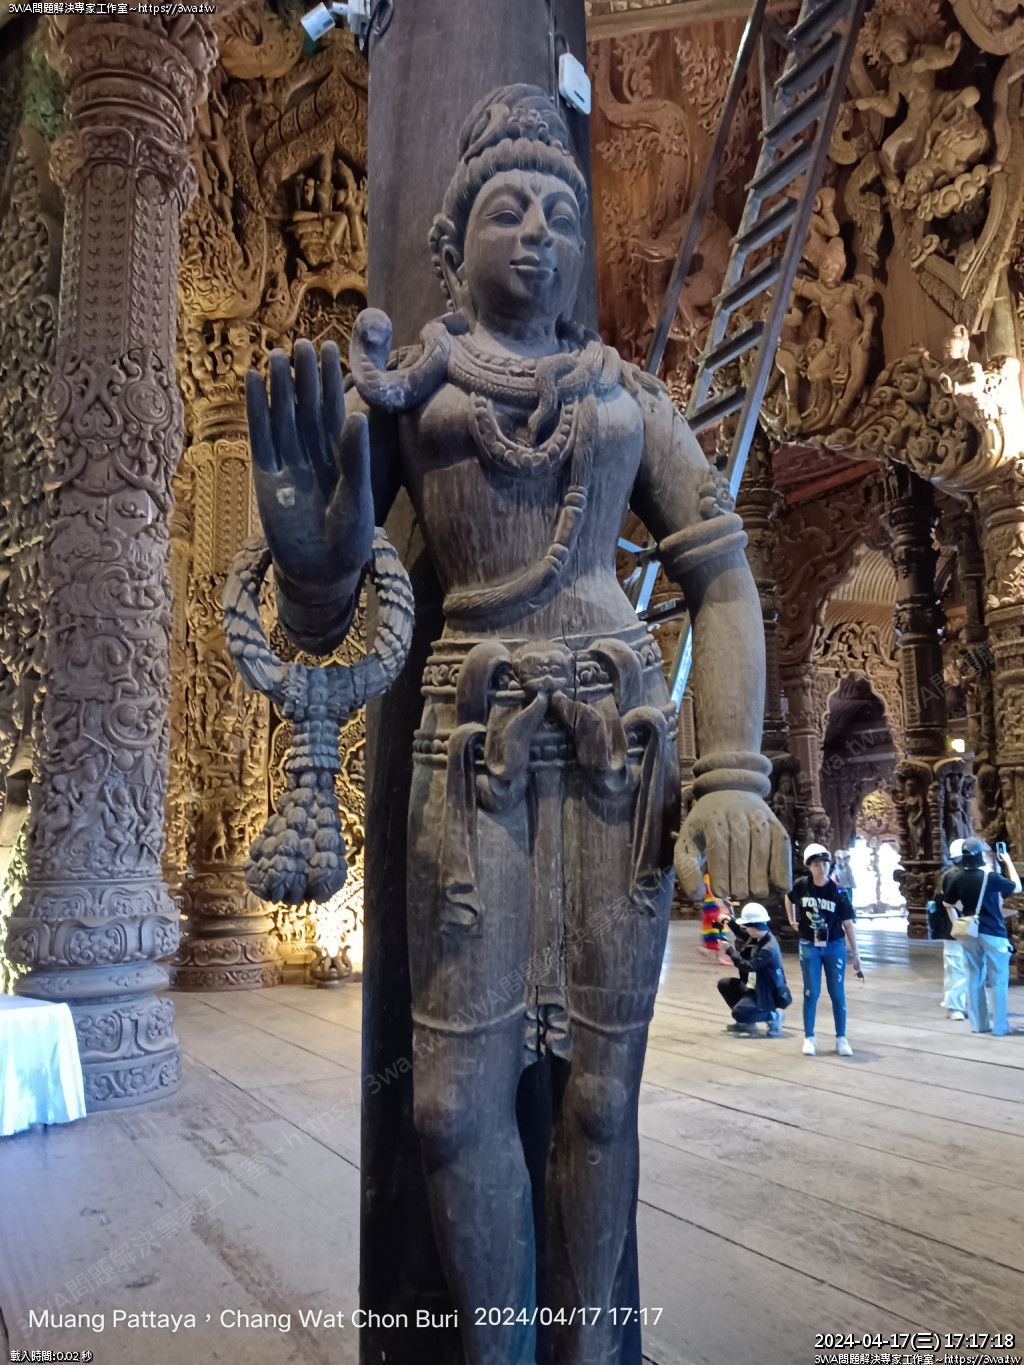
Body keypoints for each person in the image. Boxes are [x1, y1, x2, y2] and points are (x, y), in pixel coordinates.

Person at [243, 85, 791, 1361]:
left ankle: (589, 1350)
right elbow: (328, 609)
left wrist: (732, 772)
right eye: (507, 209)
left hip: (619, 744)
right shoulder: (410, 396)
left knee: (601, 1095)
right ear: (451, 245)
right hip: (467, 747)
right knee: (446, 1105)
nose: (538, 231)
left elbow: (722, 573)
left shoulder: (626, 398)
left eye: (558, 212)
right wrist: (310, 548)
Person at [938, 836, 1020, 1036]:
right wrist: (1008, 861)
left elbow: (948, 904)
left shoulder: (956, 877)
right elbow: (1016, 887)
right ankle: (1000, 1027)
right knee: (999, 981)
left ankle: (979, 1025)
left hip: (970, 934)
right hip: (994, 934)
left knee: (974, 979)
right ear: (980, 855)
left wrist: (957, 925)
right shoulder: (989, 876)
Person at [786, 843, 861, 1056]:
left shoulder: (838, 892)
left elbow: (848, 923)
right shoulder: (801, 885)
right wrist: (792, 920)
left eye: (825, 863)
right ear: (809, 867)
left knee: (837, 993)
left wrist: (856, 953)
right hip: (809, 945)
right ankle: (809, 1037)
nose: (822, 868)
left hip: (834, 945)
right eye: (816, 864)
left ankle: (841, 1038)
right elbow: (789, 898)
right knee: (811, 991)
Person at [717, 903, 789, 1036]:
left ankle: (774, 1016)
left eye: (747, 926)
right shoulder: (759, 936)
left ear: (755, 926)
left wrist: (730, 950)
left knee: (739, 1013)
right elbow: (743, 933)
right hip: (753, 985)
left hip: (766, 992)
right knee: (725, 984)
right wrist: (730, 921)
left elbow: (748, 965)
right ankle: (747, 1022)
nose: (746, 928)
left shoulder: (768, 948)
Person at [929, 837, 967, 1020]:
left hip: (959, 928)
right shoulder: (954, 876)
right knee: (956, 967)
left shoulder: (954, 874)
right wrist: (959, 928)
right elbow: (952, 905)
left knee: (959, 967)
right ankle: (954, 1006)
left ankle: (958, 1003)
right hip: (956, 930)